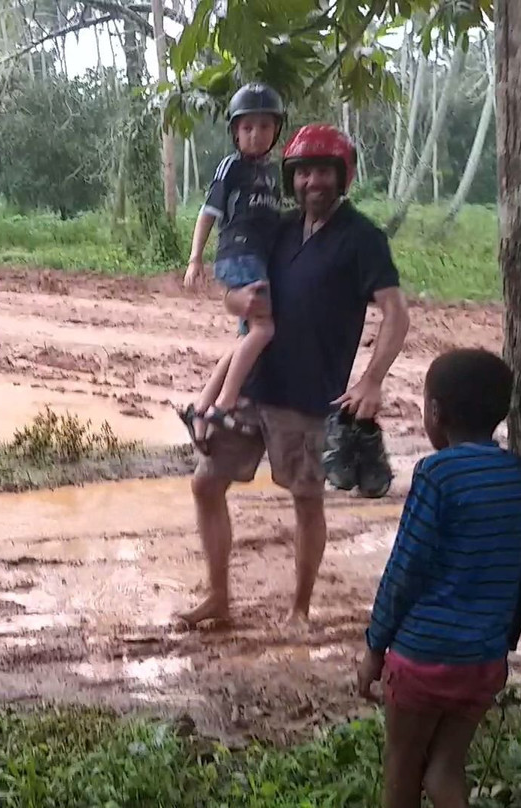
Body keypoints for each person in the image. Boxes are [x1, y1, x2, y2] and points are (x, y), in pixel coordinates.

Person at [177, 123, 411, 628]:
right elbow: (235, 292)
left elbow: (396, 312)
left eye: (323, 171)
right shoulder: (279, 229)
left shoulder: (362, 238)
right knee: (205, 485)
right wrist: (234, 300)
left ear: (342, 175)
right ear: (292, 179)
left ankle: (299, 609)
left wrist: (372, 379)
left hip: (309, 397)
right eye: (303, 172)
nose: (312, 183)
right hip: (256, 384)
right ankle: (219, 597)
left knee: (306, 501)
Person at [357, 349, 521, 808]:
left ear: (435, 412)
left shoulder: (437, 473)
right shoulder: (518, 474)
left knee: (402, 768)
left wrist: (375, 646)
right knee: (445, 769)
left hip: (423, 656)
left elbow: (405, 569)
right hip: (483, 661)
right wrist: (501, 642)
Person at [182, 83, 286, 450]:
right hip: (239, 255)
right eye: (247, 128)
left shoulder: (275, 174)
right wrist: (195, 258)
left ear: (276, 131)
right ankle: (225, 405)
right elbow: (208, 214)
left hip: (261, 259)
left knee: (247, 338)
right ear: (235, 133)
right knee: (263, 328)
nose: (255, 134)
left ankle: (200, 407)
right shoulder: (232, 167)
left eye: (264, 126)